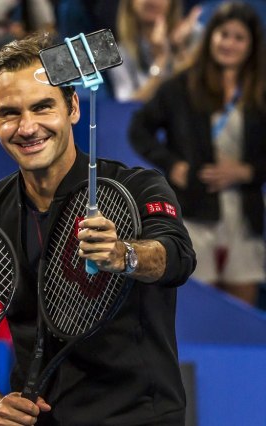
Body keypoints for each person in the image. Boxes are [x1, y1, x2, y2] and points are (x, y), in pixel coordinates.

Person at [0, 32, 196, 425]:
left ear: (73, 107)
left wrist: (124, 254)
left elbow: (176, 255)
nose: (28, 127)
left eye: (43, 107)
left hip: (139, 416)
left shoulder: (138, 186)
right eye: (10, 113)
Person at [128, 1, 266, 307]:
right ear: (211, 37)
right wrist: (173, 164)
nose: (229, 43)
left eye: (238, 37)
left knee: (242, 310)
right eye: (223, 34)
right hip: (194, 208)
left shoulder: (260, 91)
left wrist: (248, 171)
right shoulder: (181, 86)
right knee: (199, 304)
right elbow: (139, 129)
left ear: (252, 45)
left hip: (245, 212)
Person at [107, 0, 202, 102]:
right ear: (130, 3)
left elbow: (201, 95)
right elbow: (125, 107)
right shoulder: (115, 53)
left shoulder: (192, 35)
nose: (152, 1)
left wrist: (180, 50)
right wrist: (160, 60)